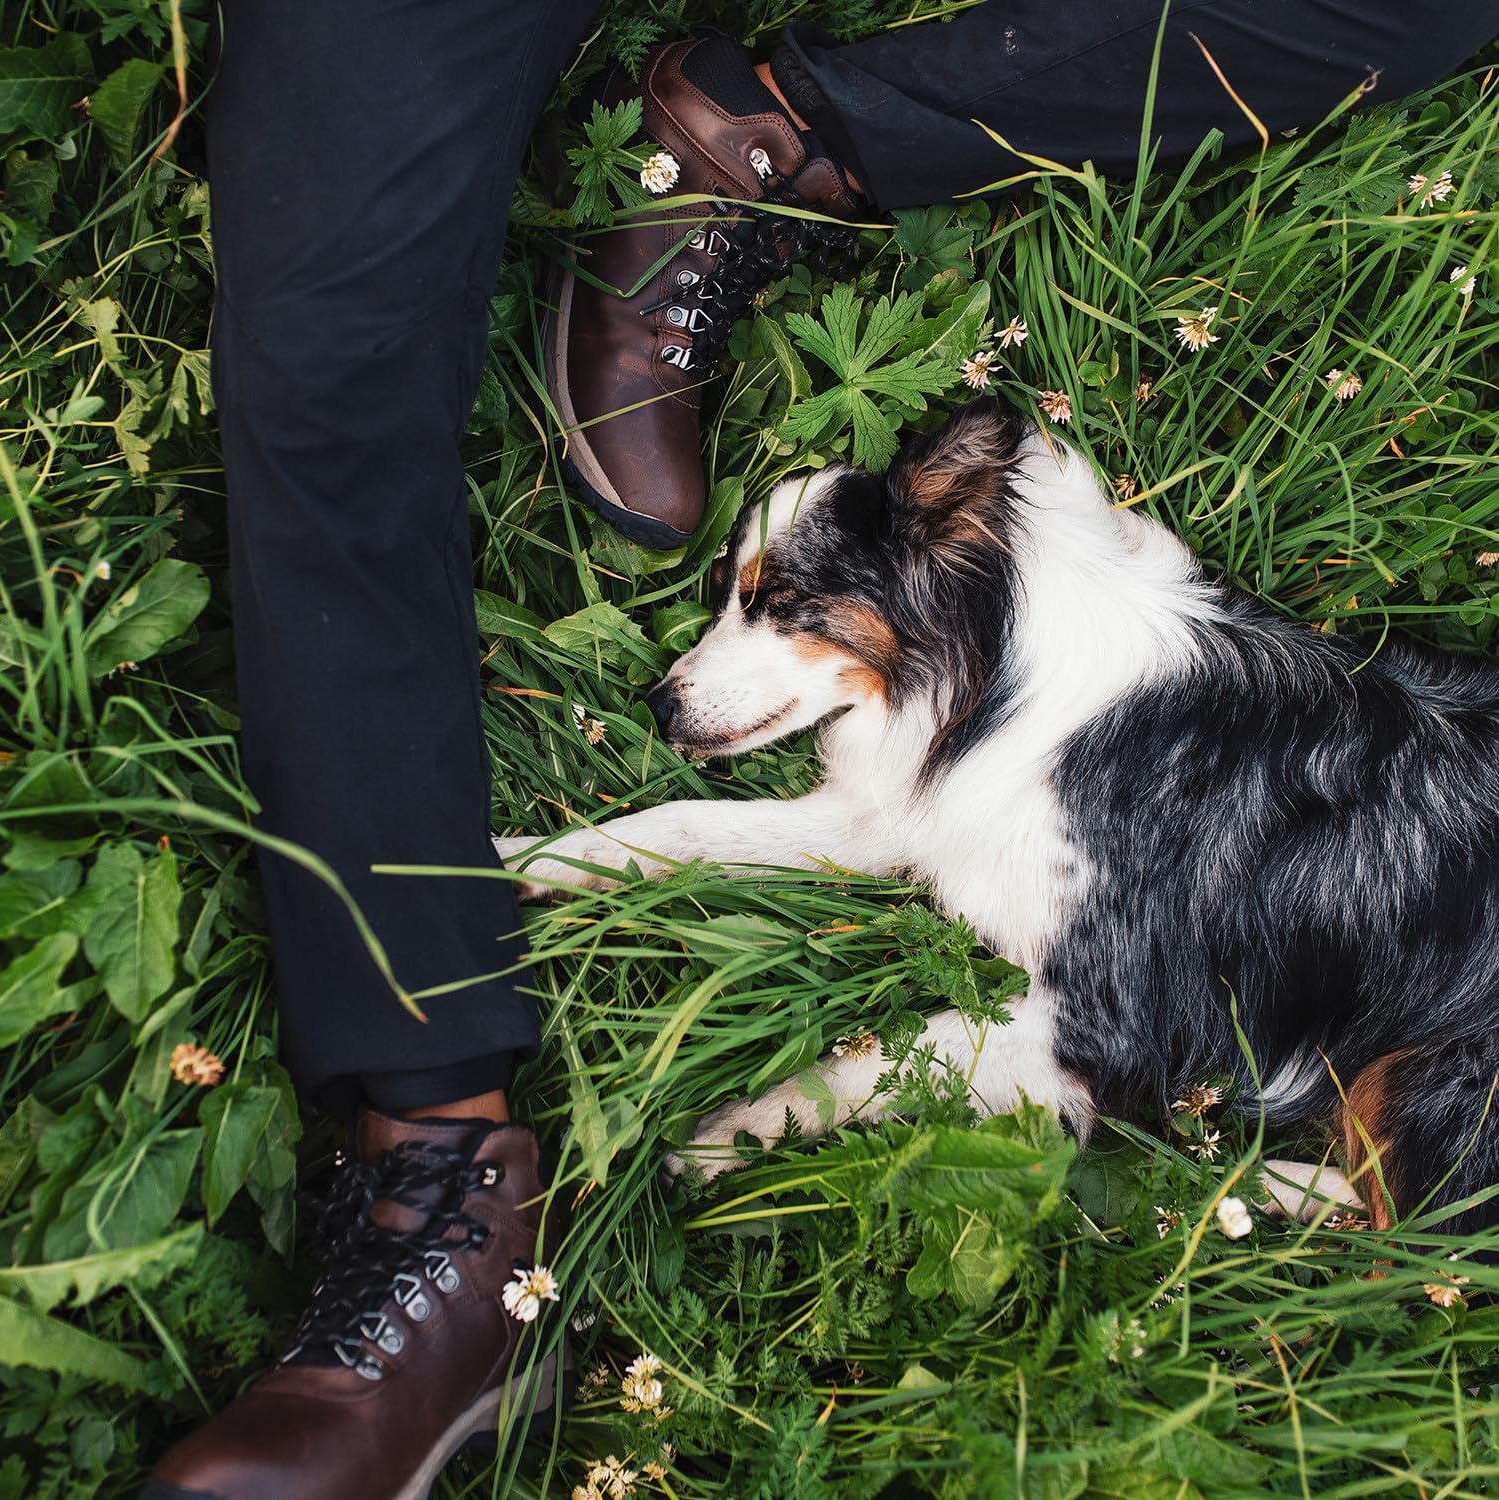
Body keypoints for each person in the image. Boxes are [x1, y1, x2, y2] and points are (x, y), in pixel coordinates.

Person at [144, 4, 1497, 1496]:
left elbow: (1088, 1035)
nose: (728, 656)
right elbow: (869, 827)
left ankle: (764, 136)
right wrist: (596, 855)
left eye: (777, 612)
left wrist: (779, 1118)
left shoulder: (1094, 759)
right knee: (320, 353)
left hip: (1421, 1021)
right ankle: (440, 1158)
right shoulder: (973, 710)